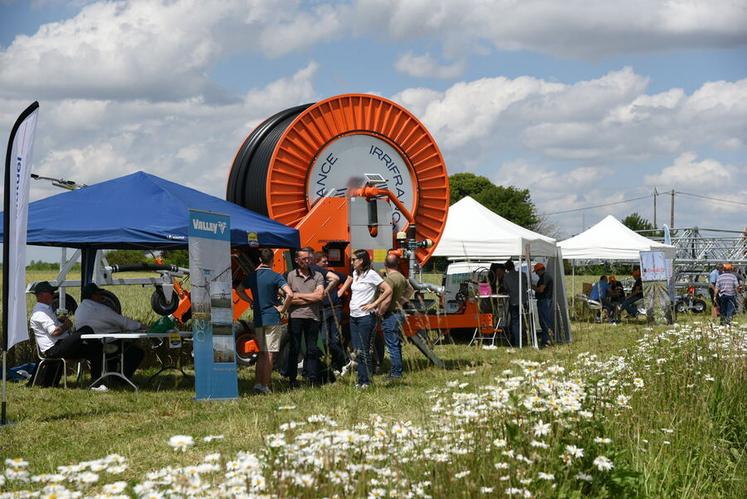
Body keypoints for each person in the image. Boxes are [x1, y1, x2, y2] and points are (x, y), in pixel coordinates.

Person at [237, 248, 293, 394]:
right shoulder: (276, 276)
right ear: (272, 261)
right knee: (269, 353)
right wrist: (283, 308)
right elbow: (290, 294)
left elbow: (239, 289)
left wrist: (250, 301)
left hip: (258, 318)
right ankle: (265, 385)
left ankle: (257, 384)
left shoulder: (252, 276)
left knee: (261, 352)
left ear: (260, 260)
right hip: (272, 318)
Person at [29, 281, 103, 388]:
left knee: (95, 349)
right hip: (54, 349)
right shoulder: (40, 313)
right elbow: (55, 332)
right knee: (86, 329)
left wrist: (61, 321)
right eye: (51, 292)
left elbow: (56, 328)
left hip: (59, 345)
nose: (53, 294)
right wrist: (66, 325)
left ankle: (96, 382)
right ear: (41, 295)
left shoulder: (47, 310)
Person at [338, 249, 390, 388]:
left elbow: (388, 289)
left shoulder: (371, 274)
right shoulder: (355, 274)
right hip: (353, 316)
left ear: (361, 261)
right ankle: (360, 380)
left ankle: (366, 381)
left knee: (364, 350)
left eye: (354, 259)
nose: (352, 261)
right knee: (357, 350)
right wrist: (340, 292)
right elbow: (349, 283)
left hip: (366, 318)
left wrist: (374, 304)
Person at [74, 283, 146, 384]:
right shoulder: (100, 309)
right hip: (101, 346)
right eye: (99, 294)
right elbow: (124, 322)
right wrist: (141, 326)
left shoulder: (79, 309)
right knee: (136, 352)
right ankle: (120, 380)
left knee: (114, 344)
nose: (101, 296)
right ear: (93, 295)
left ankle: (112, 377)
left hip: (86, 345)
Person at [364, 254, 413, 381]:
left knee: (392, 345)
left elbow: (386, 300)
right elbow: (410, 290)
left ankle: (396, 373)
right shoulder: (401, 277)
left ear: (385, 265)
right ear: (397, 264)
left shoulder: (389, 279)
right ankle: (397, 370)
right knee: (396, 344)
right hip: (397, 313)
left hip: (390, 315)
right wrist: (400, 303)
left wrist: (380, 312)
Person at [285, 247, 325, 387]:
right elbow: (288, 298)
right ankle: (292, 379)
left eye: (309, 258)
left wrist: (298, 296)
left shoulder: (318, 275)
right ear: (296, 260)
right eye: (304, 259)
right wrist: (310, 297)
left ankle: (312, 378)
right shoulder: (290, 276)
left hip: (312, 316)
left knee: (312, 349)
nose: (307, 261)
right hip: (295, 316)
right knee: (294, 348)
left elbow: (320, 296)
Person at [311, 251, 348, 374]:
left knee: (336, 339)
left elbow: (348, 278)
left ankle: (337, 366)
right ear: (316, 263)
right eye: (324, 261)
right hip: (323, 309)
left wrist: (340, 291)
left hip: (335, 308)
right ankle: (345, 360)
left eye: (327, 261)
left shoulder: (331, 273)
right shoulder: (314, 275)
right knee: (325, 339)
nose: (327, 263)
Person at [503, 260, 527, 347]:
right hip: (523, 301)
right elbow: (526, 285)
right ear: (513, 266)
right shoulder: (523, 274)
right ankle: (523, 340)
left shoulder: (506, 277)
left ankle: (517, 342)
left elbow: (506, 288)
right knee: (523, 322)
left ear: (506, 268)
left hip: (513, 301)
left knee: (515, 322)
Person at [533, 263, 553, 347]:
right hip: (543, 301)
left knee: (545, 321)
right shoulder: (543, 277)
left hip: (544, 301)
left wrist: (533, 287)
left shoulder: (545, 277)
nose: (536, 274)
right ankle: (545, 340)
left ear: (540, 270)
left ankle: (547, 340)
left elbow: (541, 290)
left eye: (536, 272)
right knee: (543, 321)